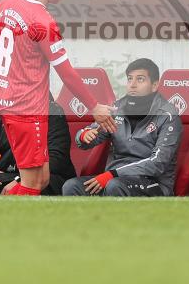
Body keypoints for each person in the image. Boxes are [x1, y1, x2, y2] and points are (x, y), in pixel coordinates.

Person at [0, 0, 115, 196]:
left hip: (12, 106)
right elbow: (66, 73)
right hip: (27, 109)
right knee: (31, 184)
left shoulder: (6, 5)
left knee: (41, 179)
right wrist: (94, 106)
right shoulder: (43, 22)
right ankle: (7, 228)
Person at [62, 58, 182, 197]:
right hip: (114, 178)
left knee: (115, 186)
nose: (133, 85)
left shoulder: (168, 116)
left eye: (140, 79)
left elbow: (158, 163)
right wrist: (84, 136)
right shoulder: (117, 109)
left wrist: (113, 174)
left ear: (154, 85)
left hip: (154, 183)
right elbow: (88, 136)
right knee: (72, 186)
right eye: (130, 79)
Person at [0, 97, 76, 196]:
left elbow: (57, 159)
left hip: (45, 177)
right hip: (13, 177)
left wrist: (21, 181)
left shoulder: (51, 110)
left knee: (41, 186)